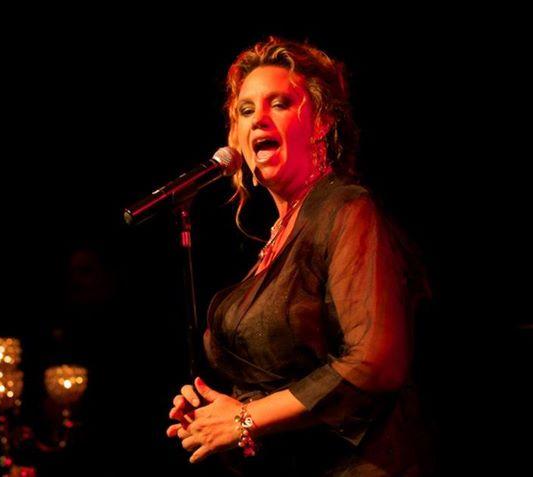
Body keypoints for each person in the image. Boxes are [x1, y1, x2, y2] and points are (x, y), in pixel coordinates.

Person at [165, 37, 433, 476]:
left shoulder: (346, 209)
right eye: (246, 110)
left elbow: (374, 362)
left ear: (321, 122)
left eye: (280, 104)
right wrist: (217, 415)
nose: (259, 119)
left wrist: (245, 418)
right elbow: (287, 384)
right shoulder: (276, 241)